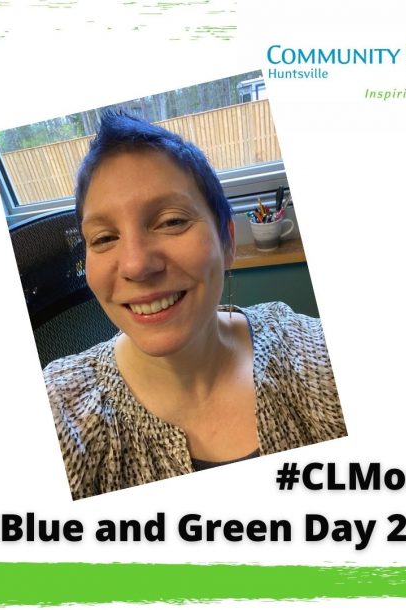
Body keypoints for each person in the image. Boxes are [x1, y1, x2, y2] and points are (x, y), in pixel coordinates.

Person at [44, 112, 347, 500]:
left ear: (227, 242)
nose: (136, 264)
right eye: (103, 238)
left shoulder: (309, 357)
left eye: (171, 221)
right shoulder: (62, 410)